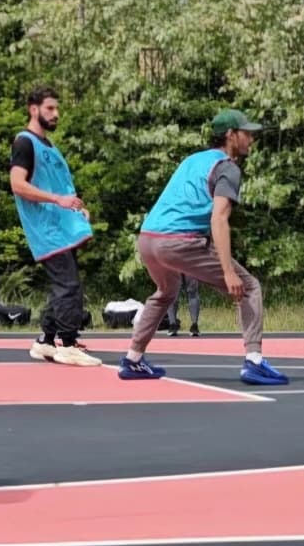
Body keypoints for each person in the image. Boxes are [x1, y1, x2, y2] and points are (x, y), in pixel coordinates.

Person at [122, 109, 288, 386]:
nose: (251, 139)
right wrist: (228, 272)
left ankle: (133, 359)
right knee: (249, 287)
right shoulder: (227, 167)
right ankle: (255, 361)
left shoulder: (192, 160)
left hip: (148, 238)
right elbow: (219, 218)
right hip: (178, 240)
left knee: (166, 292)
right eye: (246, 133)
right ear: (230, 135)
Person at [11, 86, 99, 366]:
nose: (56, 114)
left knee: (65, 285)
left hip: (61, 226)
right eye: (50, 108)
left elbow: (61, 187)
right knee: (69, 286)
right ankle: (68, 343)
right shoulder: (24, 142)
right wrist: (57, 200)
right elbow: (17, 184)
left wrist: (76, 209)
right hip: (46, 228)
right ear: (33, 109)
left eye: (56, 108)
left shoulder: (49, 146)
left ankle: (46, 341)